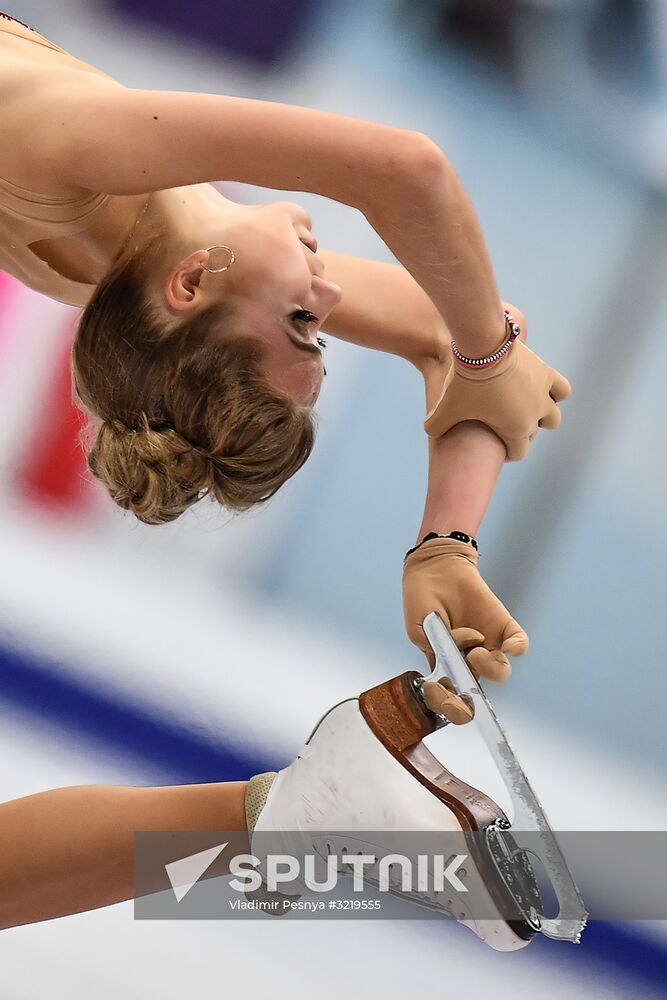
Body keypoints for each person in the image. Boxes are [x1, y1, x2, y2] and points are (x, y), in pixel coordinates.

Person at [0, 10, 571, 940]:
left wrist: (477, 383)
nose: (333, 298)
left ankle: (290, 819)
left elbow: (428, 234)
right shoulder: (120, 230)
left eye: (303, 325)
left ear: (189, 289)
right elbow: (446, 311)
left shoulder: (83, 181)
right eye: (313, 327)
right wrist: (445, 533)